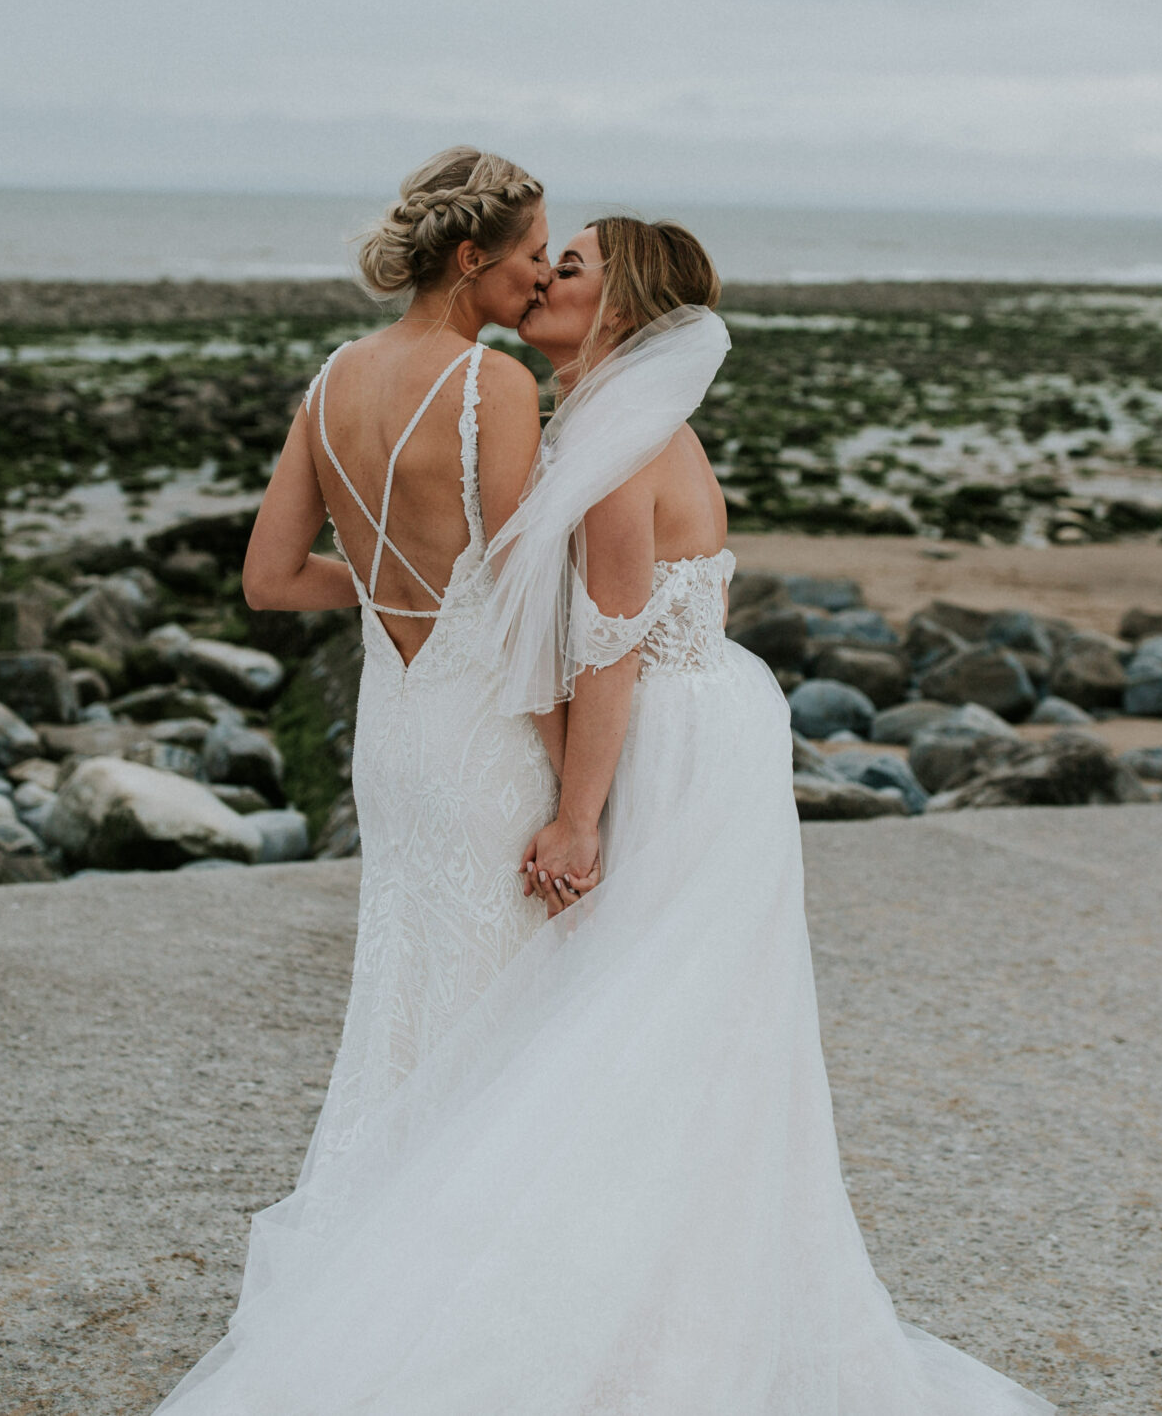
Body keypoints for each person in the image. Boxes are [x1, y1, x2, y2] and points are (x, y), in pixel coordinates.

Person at [153, 213, 1050, 1414]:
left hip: (673, 738)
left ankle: (638, 1319)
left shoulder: (622, 436)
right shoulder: (584, 417)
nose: (542, 277)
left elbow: (611, 637)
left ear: (619, 306)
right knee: (633, 1021)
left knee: (647, 1023)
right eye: (542, 257)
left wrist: (575, 817)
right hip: (673, 722)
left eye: (569, 267)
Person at [233, 145, 557, 1168]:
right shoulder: (491, 384)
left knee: (408, 984)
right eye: (534, 255)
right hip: (487, 737)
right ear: (469, 257)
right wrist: (588, 790)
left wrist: (393, 587)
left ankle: (392, 1225)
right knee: (508, 998)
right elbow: (517, 598)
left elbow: (272, 579)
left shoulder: (334, 378)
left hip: (395, 737)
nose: (545, 278)